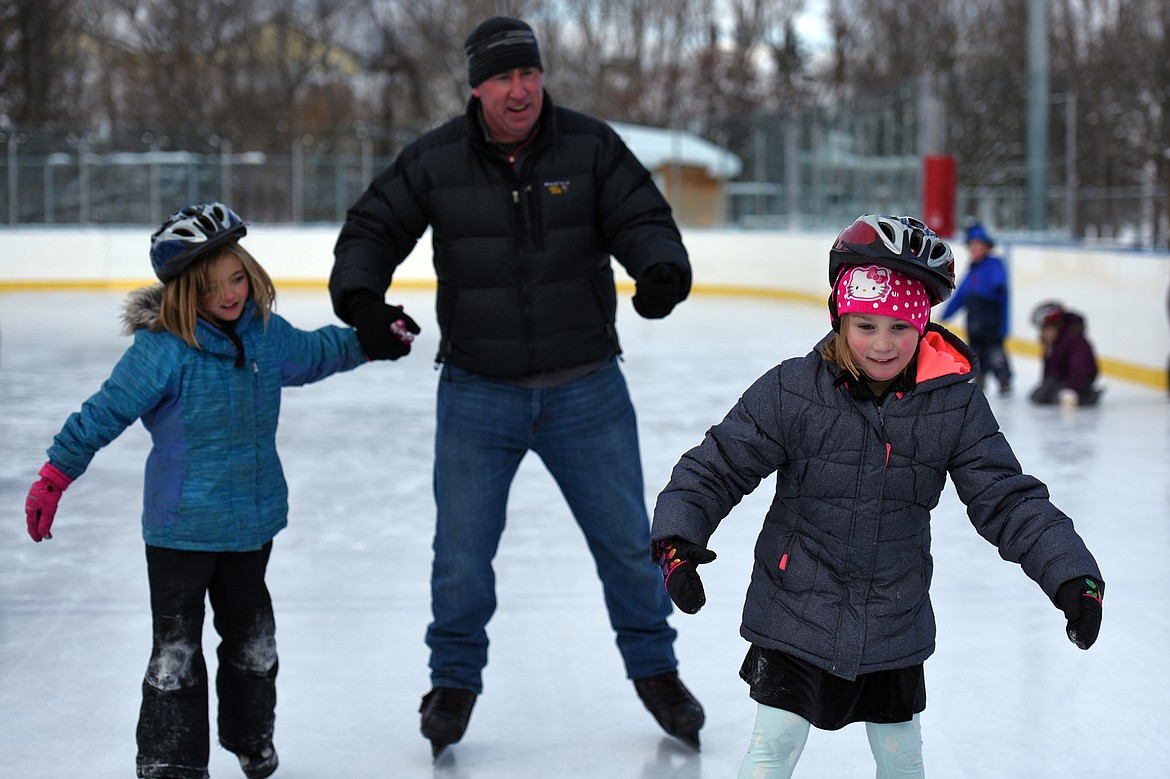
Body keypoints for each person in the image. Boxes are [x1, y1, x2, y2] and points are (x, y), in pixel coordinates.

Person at [329, 15, 703, 758]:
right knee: (462, 552)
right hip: (477, 389)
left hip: (586, 386)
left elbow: (642, 215)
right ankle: (454, 680)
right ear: (476, 87)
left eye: (528, 72)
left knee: (629, 544)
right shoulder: (436, 160)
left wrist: (659, 267)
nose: (520, 88)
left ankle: (655, 669)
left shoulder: (589, 145)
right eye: (502, 76)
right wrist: (363, 303)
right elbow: (371, 228)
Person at [649, 214, 1104, 778]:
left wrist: (1069, 573)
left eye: (900, 327)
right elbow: (715, 466)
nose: (882, 345)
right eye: (864, 325)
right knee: (773, 746)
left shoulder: (953, 406)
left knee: (901, 760)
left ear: (924, 325)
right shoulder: (794, 390)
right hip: (796, 606)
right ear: (840, 317)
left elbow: (1007, 499)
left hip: (893, 616)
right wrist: (678, 536)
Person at [23, 202, 414, 779]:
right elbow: (105, 412)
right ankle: (170, 763)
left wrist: (370, 340)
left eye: (236, 278)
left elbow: (314, 354)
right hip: (181, 528)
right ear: (186, 292)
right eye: (211, 287)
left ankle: (249, 736)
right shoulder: (164, 348)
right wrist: (56, 474)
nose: (230, 294)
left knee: (254, 645)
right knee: (176, 653)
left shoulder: (263, 334)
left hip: (251, 525)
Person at [939, 222, 1012, 394]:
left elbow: (999, 280)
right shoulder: (972, 271)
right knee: (976, 352)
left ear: (987, 247)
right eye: (972, 246)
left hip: (991, 318)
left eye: (978, 246)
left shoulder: (994, 264)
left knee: (996, 352)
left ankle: (1004, 379)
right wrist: (947, 313)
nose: (975, 250)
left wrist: (998, 285)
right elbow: (961, 295)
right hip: (974, 319)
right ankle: (980, 377)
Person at [1029, 300, 1102, 407]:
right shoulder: (1052, 343)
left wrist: (1071, 389)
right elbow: (1049, 369)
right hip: (1059, 378)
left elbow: (1079, 368)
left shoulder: (1075, 341)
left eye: (1048, 328)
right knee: (1039, 396)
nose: (1045, 333)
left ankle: (1087, 395)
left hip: (1077, 381)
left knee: (1057, 398)